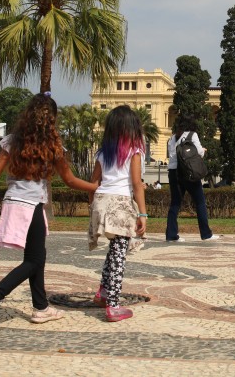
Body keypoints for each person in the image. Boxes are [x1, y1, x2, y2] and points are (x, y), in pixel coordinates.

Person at [0, 93, 98, 332]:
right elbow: (69, 180)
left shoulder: (12, 141)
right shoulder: (54, 147)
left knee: (35, 256)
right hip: (31, 206)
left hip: (13, 201)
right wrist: (94, 187)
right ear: (52, 119)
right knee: (35, 260)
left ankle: (41, 308)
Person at [87, 105, 148, 322]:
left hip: (101, 201)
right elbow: (137, 184)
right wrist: (143, 214)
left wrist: (92, 207)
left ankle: (103, 292)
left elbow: (94, 182)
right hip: (120, 204)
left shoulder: (103, 152)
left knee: (114, 250)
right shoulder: (134, 151)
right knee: (119, 254)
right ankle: (113, 305)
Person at [165, 115, 218, 242]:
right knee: (200, 202)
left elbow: (172, 156)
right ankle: (206, 234)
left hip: (173, 172)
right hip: (188, 173)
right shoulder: (192, 135)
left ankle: (171, 235)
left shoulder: (172, 138)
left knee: (175, 203)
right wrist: (203, 150)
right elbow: (198, 152)